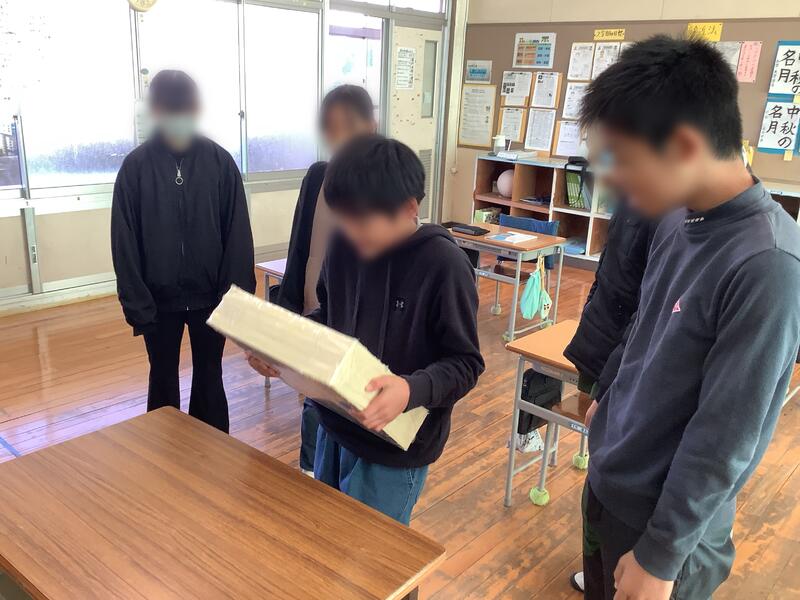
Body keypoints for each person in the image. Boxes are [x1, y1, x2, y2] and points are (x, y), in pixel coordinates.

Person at [576, 36, 800, 599]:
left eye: (623, 163)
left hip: (664, 532)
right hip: (610, 481)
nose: (615, 184)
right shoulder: (677, 217)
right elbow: (644, 321)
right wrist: (609, 392)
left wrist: (660, 556)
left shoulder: (769, 264)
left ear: (683, 146)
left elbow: (726, 437)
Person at [248, 135, 484, 524]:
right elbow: (330, 316)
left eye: (362, 222)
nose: (351, 233)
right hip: (334, 425)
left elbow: (465, 364)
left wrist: (409, 389)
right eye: (343, 219)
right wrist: (284, 347)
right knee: (325, 534)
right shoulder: (344, 243)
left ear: (409, 208)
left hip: (394, 449)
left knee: (373, 553)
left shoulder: (445, 266)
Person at [111, 70, 255, 433]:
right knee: (162, 379)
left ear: (195, 110)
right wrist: (138, 306)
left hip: (212, 300)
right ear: (155, 112)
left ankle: (213, 451)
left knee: (210, 376)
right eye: (168, 110)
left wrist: (234, 301)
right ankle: (164, 454)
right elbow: (124, 244)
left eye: (185, 109)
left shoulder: (220, 163)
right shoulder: (135, 168)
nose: (178, 117)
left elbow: (237, 237)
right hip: (158, 303)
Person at [277, 85, 377, 476]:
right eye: (332, 128)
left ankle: (340, 483)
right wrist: (288, 311)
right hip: (313, 310)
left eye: (349, 126)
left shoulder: (382, 183)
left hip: (355, 322)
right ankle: (309, 473)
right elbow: (299, 247)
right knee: (313, 403)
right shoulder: (318, 175)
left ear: (370, 126)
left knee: (346, 410)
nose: (340, 137)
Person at [561, 197, 657, 594]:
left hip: (624, 361)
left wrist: (612, 379)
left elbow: (647, 307)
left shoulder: (668, 214)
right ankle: (599, 566)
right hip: (602, 346)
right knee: (598, 476)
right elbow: (610, 275)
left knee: (609, 479)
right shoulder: (632, 200)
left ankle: (610, 570)